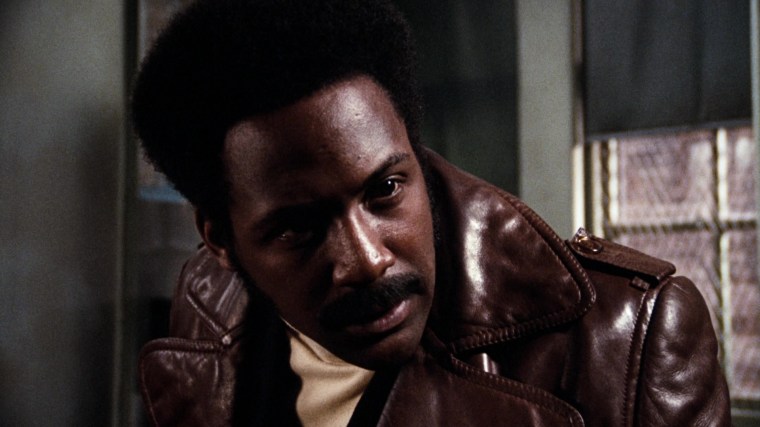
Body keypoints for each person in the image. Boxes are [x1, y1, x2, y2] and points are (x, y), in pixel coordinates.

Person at [132, 0, 731, 425]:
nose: (367, 261)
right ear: (221, 240)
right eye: (298, 229)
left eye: (385, 190)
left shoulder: (630, 337)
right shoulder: (208, 307)